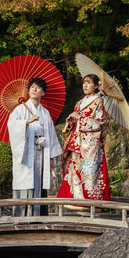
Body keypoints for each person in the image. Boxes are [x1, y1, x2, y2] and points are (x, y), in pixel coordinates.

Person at [7, 77, 62, 216]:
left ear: (43, 93)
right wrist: (26, 122)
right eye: (32, 87)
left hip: (41, 151)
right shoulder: (20, 110)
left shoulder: (45, 112)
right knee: (26, 180)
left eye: (38, 87)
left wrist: (50, 157)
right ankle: (21, 215)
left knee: (39, 181)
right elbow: (11, 125)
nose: (34, 89)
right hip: (26, 151)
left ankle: (38, 215)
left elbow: (50, 134)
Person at [57, 73, 112, 202]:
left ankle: (90, 203)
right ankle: (75, 200)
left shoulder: (99, 101)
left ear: (96, 86)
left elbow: (101, 122)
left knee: (89, 173)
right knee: (74, 171)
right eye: (84, 83)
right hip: (76, 142)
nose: (85, 85)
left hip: (89, 145)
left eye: (89, 82)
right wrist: (71, 121)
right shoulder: (79, 102)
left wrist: (80, 118)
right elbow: (76, 122)